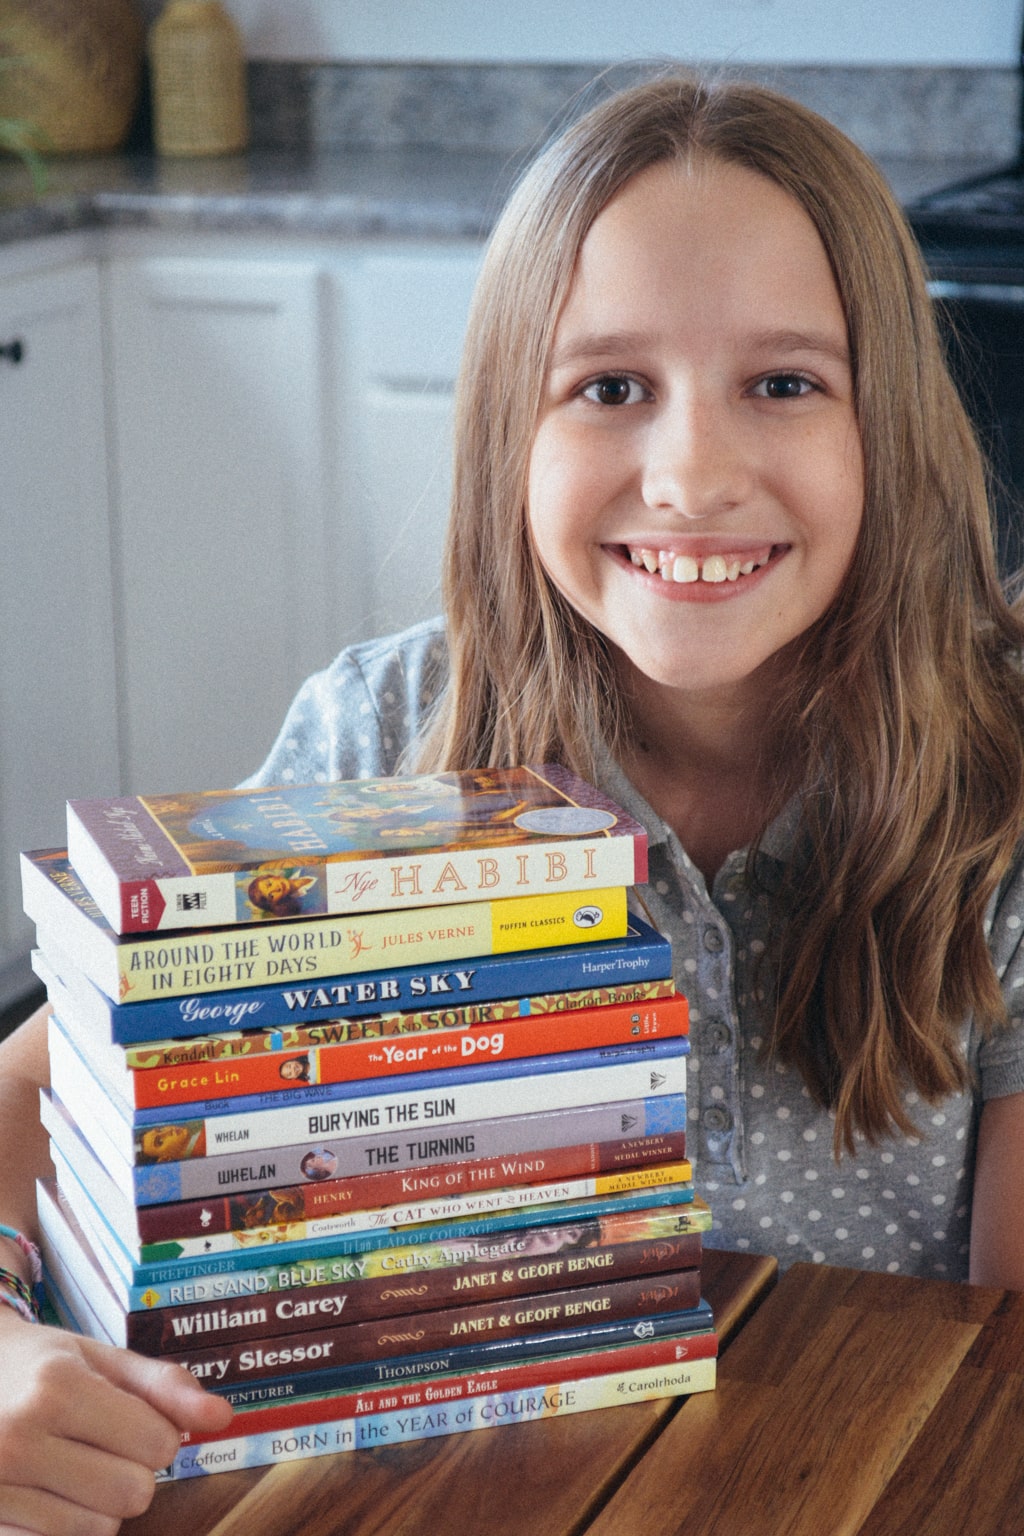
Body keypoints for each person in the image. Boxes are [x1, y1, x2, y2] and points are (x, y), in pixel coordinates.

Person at [2, 69, 1024, 1532]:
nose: (690, 475)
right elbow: (42, 1083)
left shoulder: (1004, 784)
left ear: (896, 429)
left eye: (785, 383)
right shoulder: (382, 737)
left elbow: (998, 1382)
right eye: (611, 388)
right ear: (508, 433)